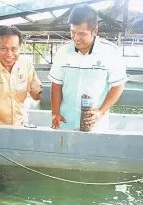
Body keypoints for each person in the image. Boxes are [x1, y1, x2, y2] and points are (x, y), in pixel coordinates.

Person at [0, 26, 43, 172]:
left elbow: (36, 95)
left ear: (20, 48)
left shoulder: (26, 64)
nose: (9, 54)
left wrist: (38, 91)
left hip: (20, 128)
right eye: (3, 49)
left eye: (14, 49)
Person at [48, 4, 127, 132]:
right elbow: (56, 84)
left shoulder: (110, 52)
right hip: (66, 120)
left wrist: (100, 112)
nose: (76, 38)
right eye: (72, 32)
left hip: (94, 123)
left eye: (82, 34)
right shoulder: (63, 52)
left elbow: (118, 86)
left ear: (95, 31)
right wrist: (55, 112)